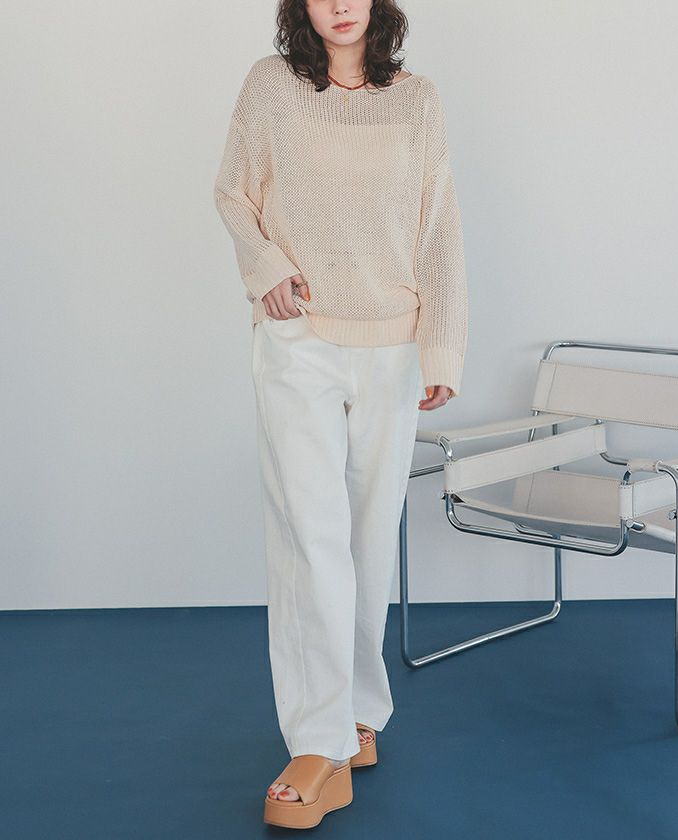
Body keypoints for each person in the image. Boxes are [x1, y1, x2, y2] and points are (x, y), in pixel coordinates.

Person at [213, 0, 468, 828]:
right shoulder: (271, 87)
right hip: (299, 339)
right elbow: (232, 193)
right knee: (308, 539)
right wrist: (265, 268)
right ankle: (318, 743)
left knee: (365, 539)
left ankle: (358, 713)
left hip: (393, 347)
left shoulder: (417, 99)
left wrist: (442, 348)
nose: (341, 4)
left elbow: (439, 228)